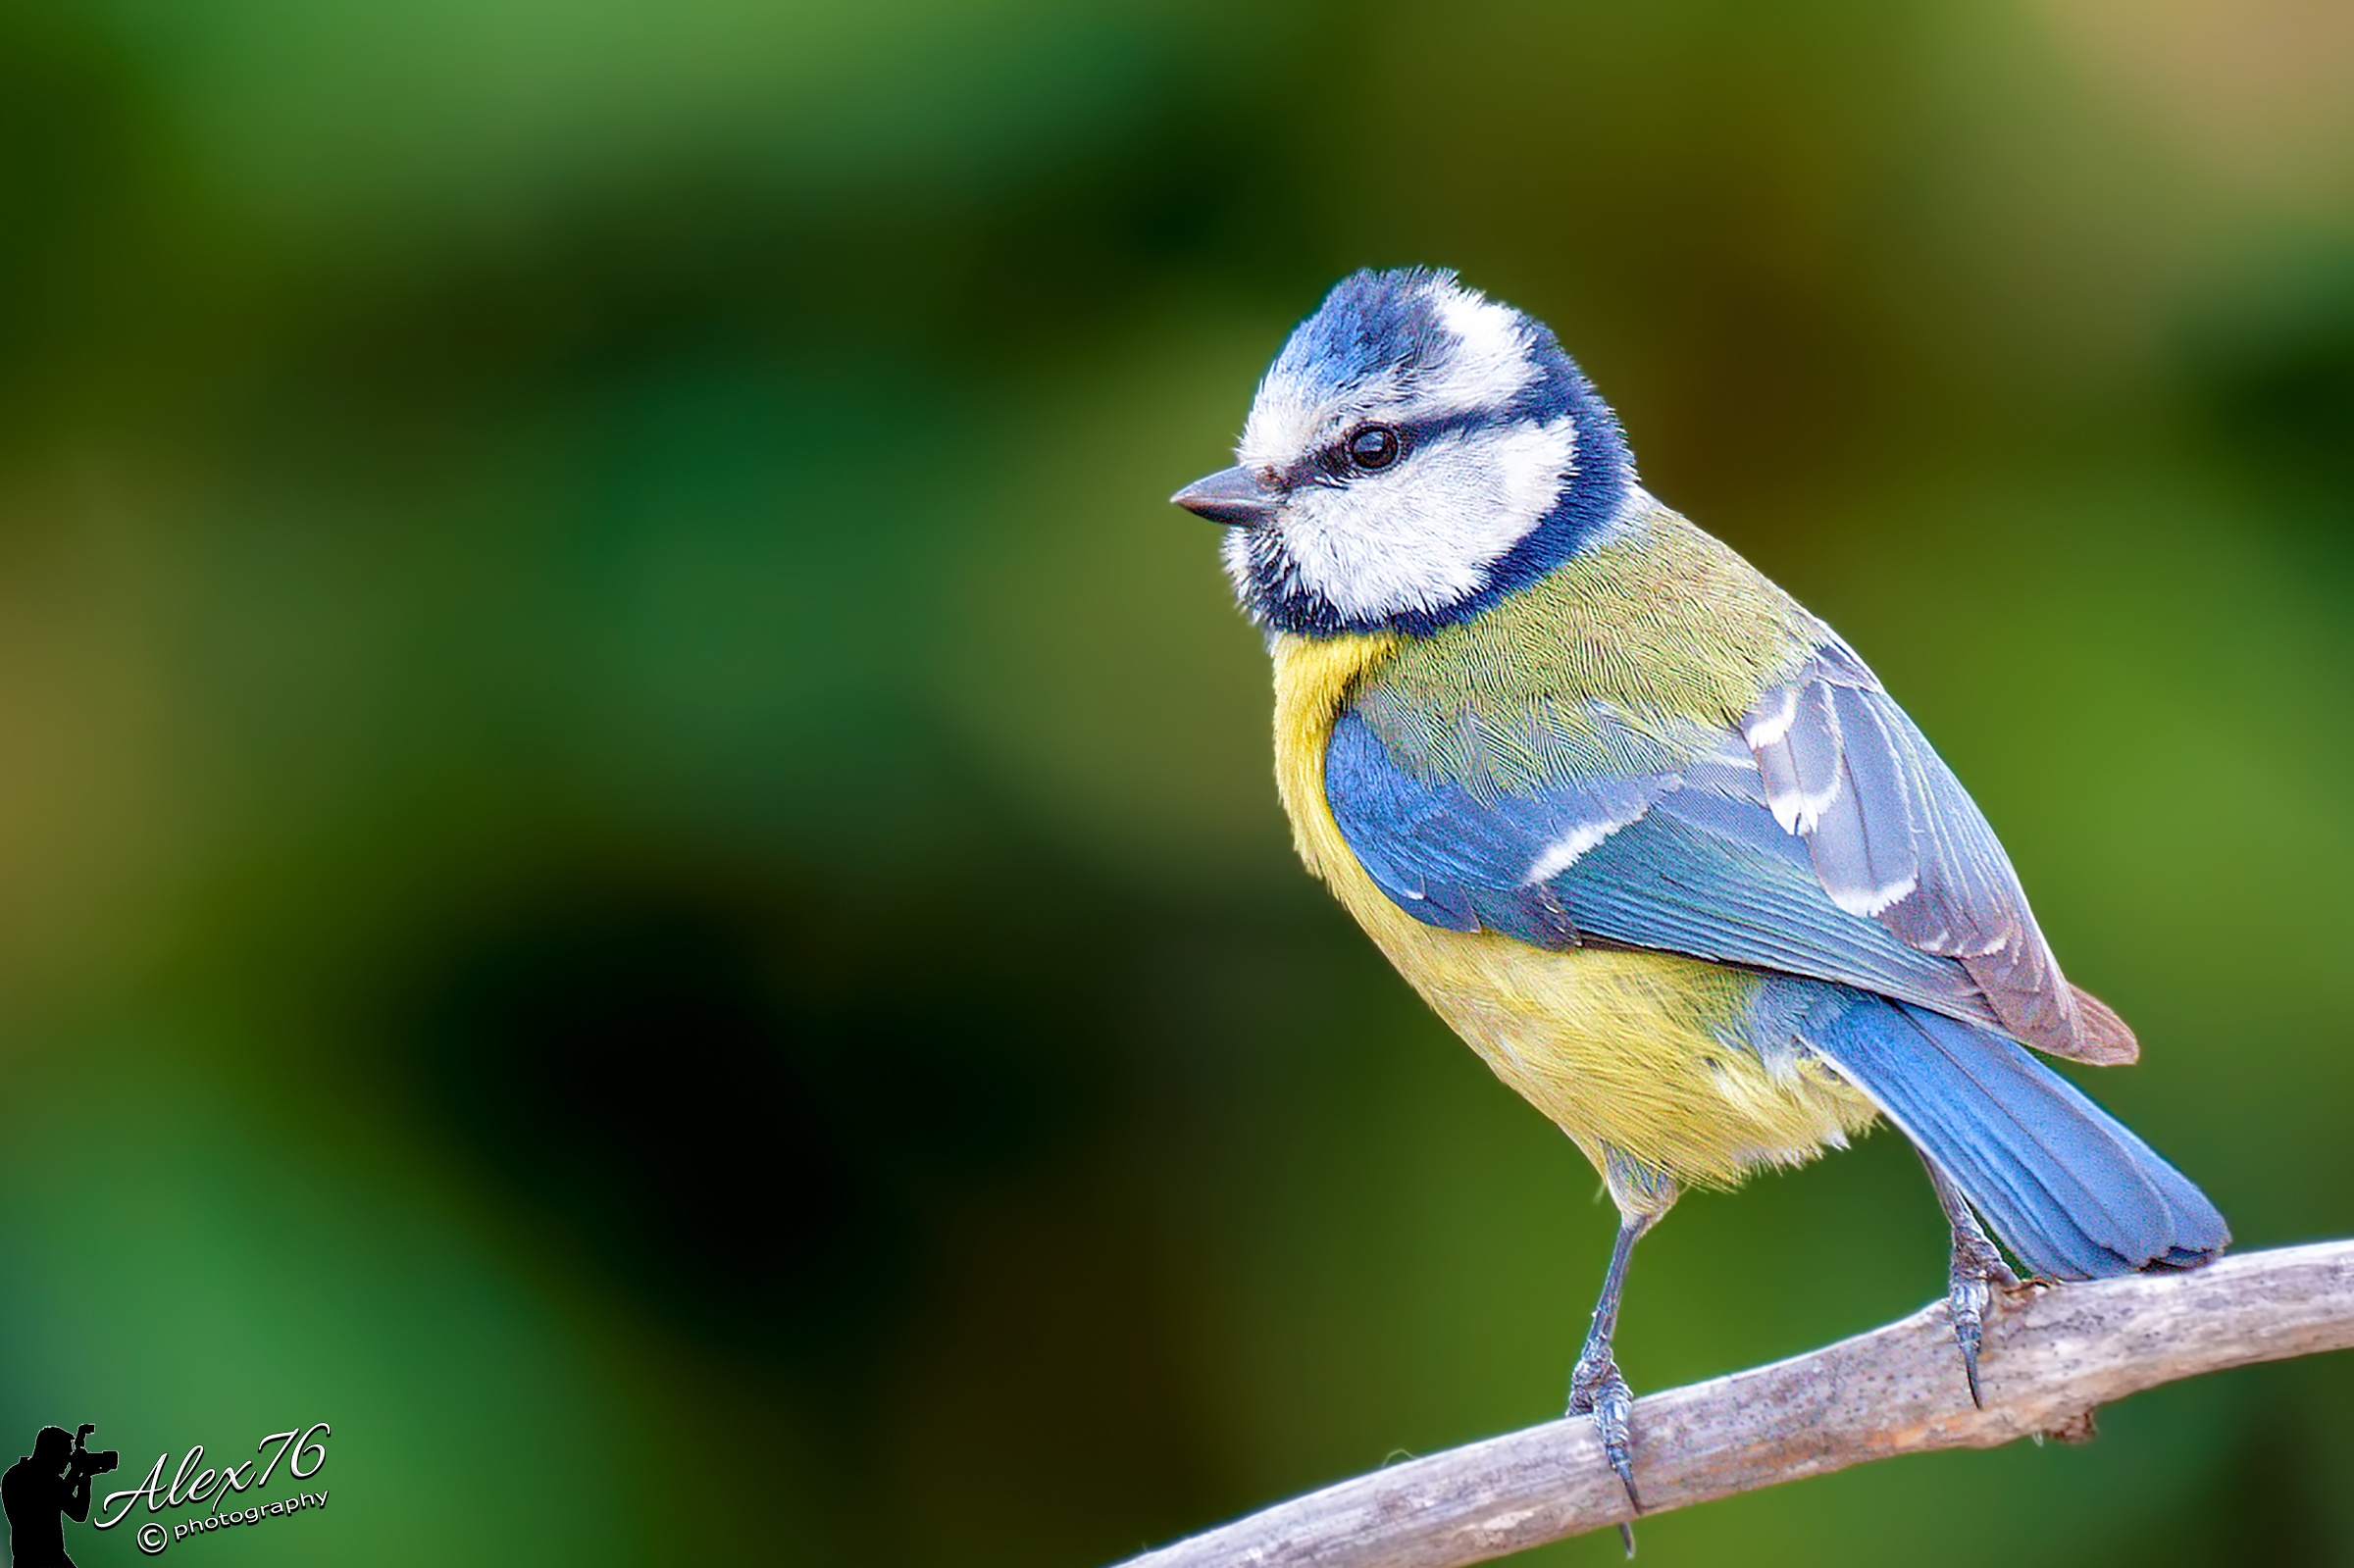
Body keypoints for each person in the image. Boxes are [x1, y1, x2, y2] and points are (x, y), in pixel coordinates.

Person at [1, 1427, 89, 1568]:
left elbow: (69, 1504)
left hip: (30, 1559)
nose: (68, 1460)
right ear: (52, 1452)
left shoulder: (14, 1475)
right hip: (45, 1559)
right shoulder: (36, 1479)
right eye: (65, 1454)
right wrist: (81, 1474)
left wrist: (81, 1475)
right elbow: (73, 1509)